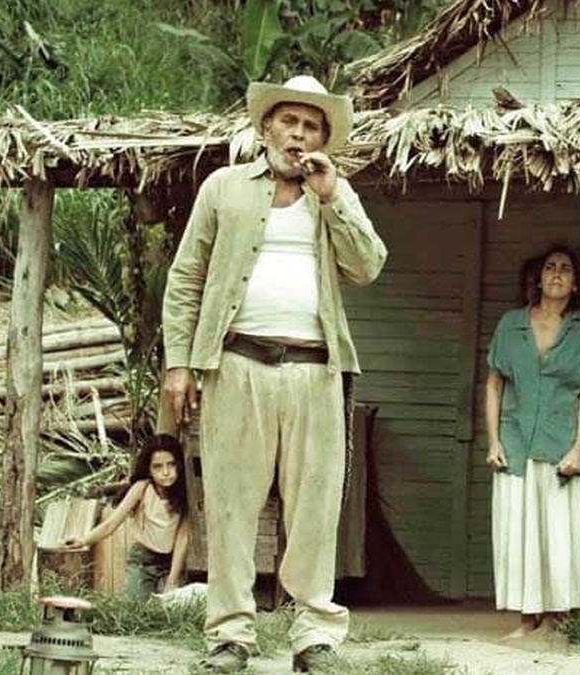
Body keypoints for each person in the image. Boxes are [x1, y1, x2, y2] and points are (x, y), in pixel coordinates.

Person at [161, 74, 386, 673]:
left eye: (312, 126)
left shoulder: (334, 192)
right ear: (265, 129)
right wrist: (179, 362)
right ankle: (230, 635)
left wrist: (332, 196)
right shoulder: (224, 187)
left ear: (324, 140)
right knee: (230, 504)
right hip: (236, 363)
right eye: (289, 122)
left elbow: (368, 265)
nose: (299, 134)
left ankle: (314, 637)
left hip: (314, 369)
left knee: (315, 506)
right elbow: (186, 277)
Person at [484, 245, 580, 638]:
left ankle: (555, 618)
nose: (557, 273)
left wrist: (579, 448)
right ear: (539, 278)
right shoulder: (511, 324)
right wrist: (494, 441)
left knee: (558, 536)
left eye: (566, 268)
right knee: (521, 534)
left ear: (575, 283)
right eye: (550, 267)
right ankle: (527, 618)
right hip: (516, 443)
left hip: (562, 444)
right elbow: (494, 384)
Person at [61, 434, 191, 601]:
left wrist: (173, 579)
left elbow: (182, 538)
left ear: (179, 465)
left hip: (172, 561)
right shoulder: (142, 489)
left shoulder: (185, 493)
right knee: (134, 606)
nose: (165, 472)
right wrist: (84, 540)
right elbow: (111, 524)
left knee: (170, 605)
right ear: (149, 469)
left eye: (171, 464)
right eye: (157, 467)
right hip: (143, 559)